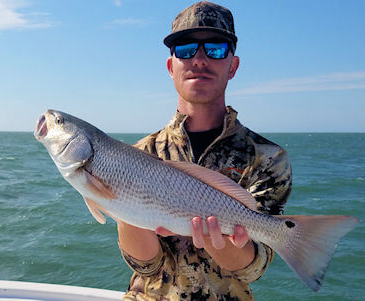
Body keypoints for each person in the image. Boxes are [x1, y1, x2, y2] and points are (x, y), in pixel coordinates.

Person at [117, 2, 292, 300]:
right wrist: (123, 205)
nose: (198, 59)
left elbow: (254, 268)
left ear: (233, 65)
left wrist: (217, 238)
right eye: (185, 49)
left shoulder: (267, 158)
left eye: (215, 48)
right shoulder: (138, 155)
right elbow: (145, 266)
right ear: (171, 67)